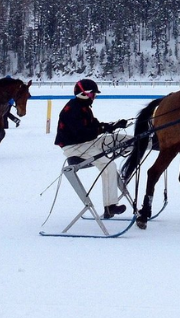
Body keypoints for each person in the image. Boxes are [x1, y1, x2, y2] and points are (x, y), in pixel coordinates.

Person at [54, 78, 129, 219]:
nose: (94, 97)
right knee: (108, 165)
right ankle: (110, 206)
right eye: (93, 94)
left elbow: (94, 126)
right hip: (75, 148)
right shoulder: (72, 110)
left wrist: (113, 125)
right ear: (84, 94)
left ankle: (153, 143)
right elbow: (82, 133)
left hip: (88, 143)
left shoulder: (84, 107)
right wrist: (102, 129)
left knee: (124, 139)